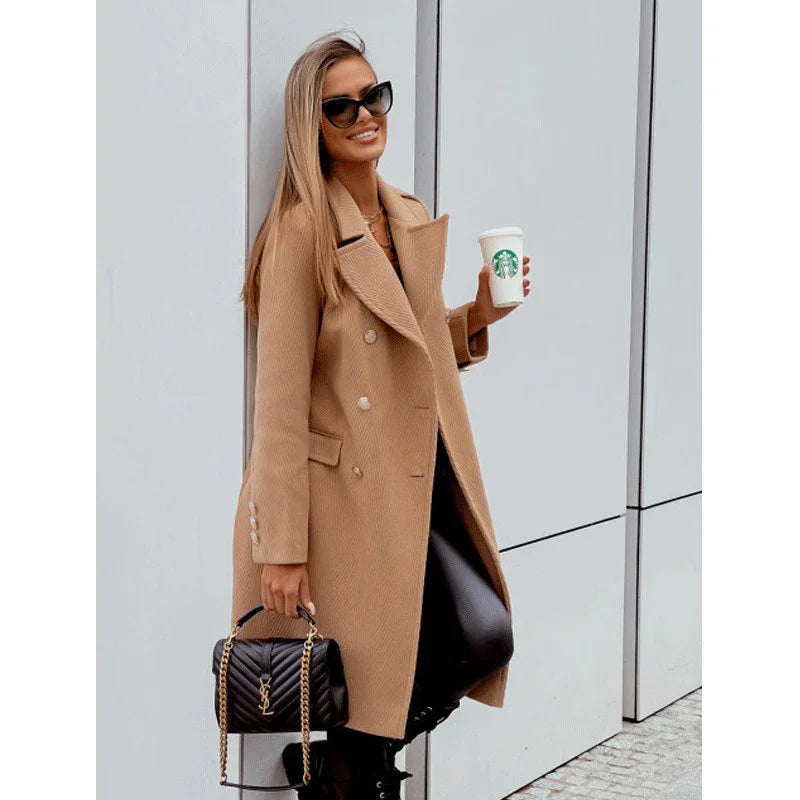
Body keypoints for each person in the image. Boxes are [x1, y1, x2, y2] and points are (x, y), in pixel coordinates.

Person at [232, 28, 531, 800]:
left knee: (480, 635)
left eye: (376, 96)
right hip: (348, 501)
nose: (366, 115)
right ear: (314, 125)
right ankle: (351, 774)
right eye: (342, 107)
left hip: (418, 476)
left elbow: (416, 349)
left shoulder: (406, 213)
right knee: (381, 673)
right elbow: (278, 405)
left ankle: (340, 772)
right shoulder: (301, 233)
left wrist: (482, 316)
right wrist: (282, 549)